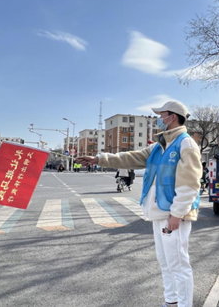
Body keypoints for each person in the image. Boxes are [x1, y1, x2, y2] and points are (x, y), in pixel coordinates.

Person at [76, 101, 201, 307]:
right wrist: (98, 158)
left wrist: (177, 213)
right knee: (165, 262)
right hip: (159, 212)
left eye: (161, 115)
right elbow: (129, 157)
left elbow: (190, 182)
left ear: (173, 117)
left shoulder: (185, 143)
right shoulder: (160, 145)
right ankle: (171, 301)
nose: (158, 119)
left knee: (178, 264)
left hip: (173, 215)